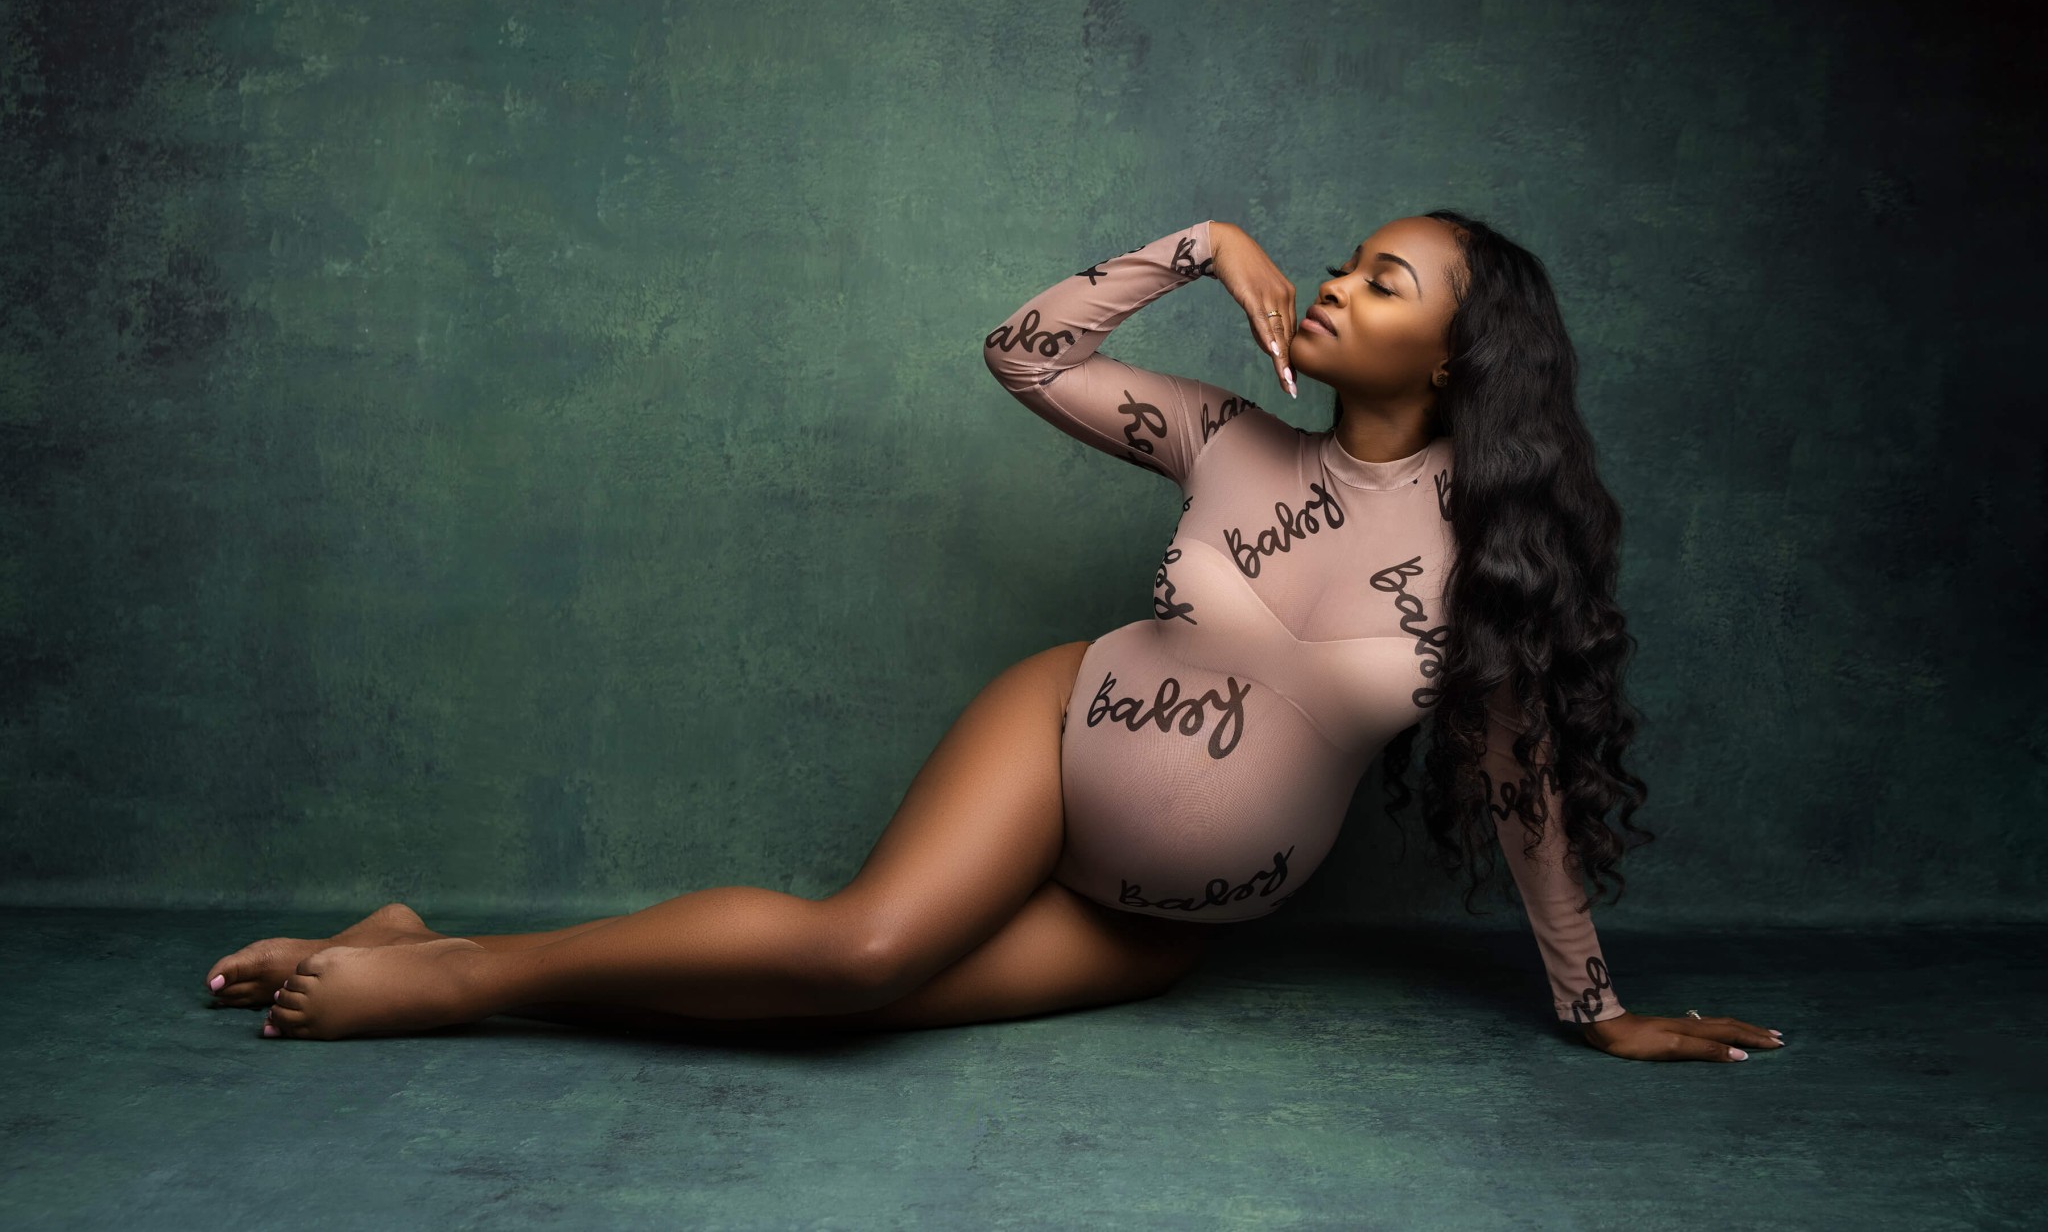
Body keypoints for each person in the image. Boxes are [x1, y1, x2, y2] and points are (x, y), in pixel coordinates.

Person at [206, 215, 1784, 1063]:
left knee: (843, 1014)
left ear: (1455, 361)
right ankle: (449, 979)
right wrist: (1195, 244)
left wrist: (1592, 1004)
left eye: (1385, 281)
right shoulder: (1230, 438)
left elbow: (1521, 788)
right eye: (1348, 259)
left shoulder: (1477, 554)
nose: (1336, 282)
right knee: (859, 951)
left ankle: (409, 942)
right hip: (1056, 733)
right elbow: (1022, 351)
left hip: (1169, 919)